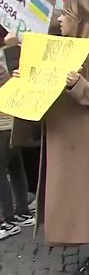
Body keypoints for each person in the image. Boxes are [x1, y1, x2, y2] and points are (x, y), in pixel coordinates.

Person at [24, 0, 89, 275]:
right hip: (67, 139)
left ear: (80, 20)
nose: (60, 20)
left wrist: (78, 85)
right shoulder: (62, 50)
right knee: (79, 197)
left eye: (65, 15)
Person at [0, 36, 32, 241]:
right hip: (10, 121)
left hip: (3, 123)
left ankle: (8, 220)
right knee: (14, 166)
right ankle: (22, 212)